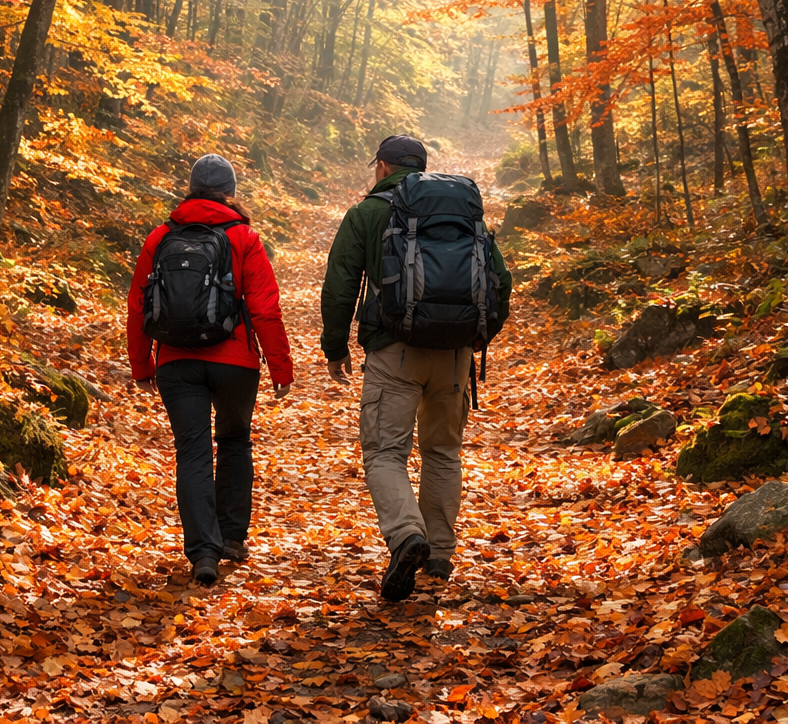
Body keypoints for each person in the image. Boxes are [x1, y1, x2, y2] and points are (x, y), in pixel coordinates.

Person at [320, 135, 512, 601]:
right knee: (443, 453)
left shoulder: (366, 214)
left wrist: (335, 347)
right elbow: (500, 282)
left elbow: (341, 284)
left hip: (394, 352)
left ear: (383, 167)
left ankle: (408, 535)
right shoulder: (459, 214)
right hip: (454, 355)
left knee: (385, 451)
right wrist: (475, 337)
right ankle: (441, 553)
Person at [128, 154, 294, 587]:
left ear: (191, 187)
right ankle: (233, 539)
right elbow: (264, 308)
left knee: (193, 451)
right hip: (236, 362)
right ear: (230, 192)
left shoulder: (161, 236)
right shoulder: (244, 238)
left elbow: (138, 305)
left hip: (176, 361)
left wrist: (141, 364)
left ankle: (204, 552)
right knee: (235, 441)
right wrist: (280, 367)